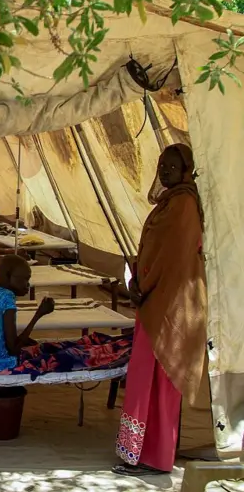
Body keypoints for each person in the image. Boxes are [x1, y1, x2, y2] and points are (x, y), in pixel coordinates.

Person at [113, 143, 207, 477]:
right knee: (147, 379)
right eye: (162, 165)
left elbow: (172, 257)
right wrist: (139, 282)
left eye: (172, 166)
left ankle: (156, 457)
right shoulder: (171, 202)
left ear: (186, 171)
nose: (164, 171)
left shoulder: (183, 205)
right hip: (154, 300)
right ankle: (142, 451)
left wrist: (143, 285)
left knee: (161, 383)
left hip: (169, 306)